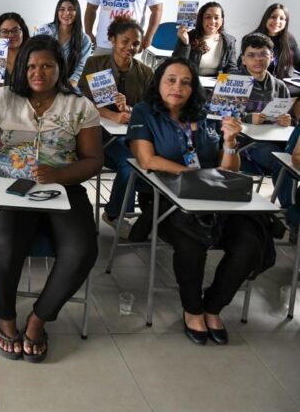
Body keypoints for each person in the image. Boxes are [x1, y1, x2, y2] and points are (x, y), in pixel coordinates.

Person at [0, 35, 102, 362]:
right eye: (31, 66)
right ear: (21, 68)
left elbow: (94, 161)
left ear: (60, 68)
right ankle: (5, 318)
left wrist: (59, 174)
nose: (38, 73)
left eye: (47, 66)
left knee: (83, 250)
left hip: (63, 187)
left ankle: (39, 319)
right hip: (11, 187)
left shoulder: (80, 106)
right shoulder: (1, 98)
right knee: (6, 243)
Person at [128, 56, 272, 345]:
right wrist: (196, 176)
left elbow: (229, 169)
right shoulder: (145, 111)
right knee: (190, 244)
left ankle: (213, 306)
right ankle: (193, 309)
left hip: (217, 200)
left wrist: (230, 143)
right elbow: (147, 159)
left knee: (249, 242)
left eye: (185, 82)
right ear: (158, 83)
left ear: (194, 88)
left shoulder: (209, 114)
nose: (177, 87)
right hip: (168, 198)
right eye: (171, 80)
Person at [78, 17, 153, 237]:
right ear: (112, 40)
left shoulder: (145, 72)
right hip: (97, 133)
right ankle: (115, 214)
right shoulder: (94, 64)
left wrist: (129, 110)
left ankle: (149, 210)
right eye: (125, 41)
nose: (130, 47)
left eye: (135, 43)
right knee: (131, 163)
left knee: (143, 160)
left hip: (131, 134)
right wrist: (112, 114)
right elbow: (83, 102)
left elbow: (150, 108)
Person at [235, 33, 295, 181]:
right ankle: (288, 198)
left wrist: (288, 121)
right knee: (284, 164)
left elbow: (292, 120)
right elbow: (220, 119)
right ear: (243, 59)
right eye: (251, 55)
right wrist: (248, 118)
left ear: (272, 57)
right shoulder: (233, 83)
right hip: (246, 144)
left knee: (294, 159)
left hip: (277, 139)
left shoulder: (280, 86)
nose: (258, 59)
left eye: (263, 54)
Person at [240, 4, 298, 94]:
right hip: (255, 84)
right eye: (273, 17)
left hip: (281, 84)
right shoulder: (250, 38)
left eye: (282, 18)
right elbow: (241, 65)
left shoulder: (289, 39)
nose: (277, 21)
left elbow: (298, 62)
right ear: (266, 18)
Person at [35, 0, 92, 87]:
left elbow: (81, 68)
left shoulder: (85, 40)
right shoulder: (45, 30)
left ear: (77, 12)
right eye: (62, 9)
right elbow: (34, 56)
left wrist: (69, 86)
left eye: (71, 9)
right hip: (42, 79)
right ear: (57, 12)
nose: (66, 13)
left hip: (67, 84)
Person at [172, 1, 237, 76]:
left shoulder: (229, 41)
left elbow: (231, 69)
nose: (212, 21)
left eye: (216, 18)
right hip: (192, 80)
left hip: (216, 81)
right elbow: (177, 65)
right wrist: (185, 43)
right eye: (208, 17)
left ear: (221, 20)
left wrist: (221, 81)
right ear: (201, 19)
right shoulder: (188, 36)